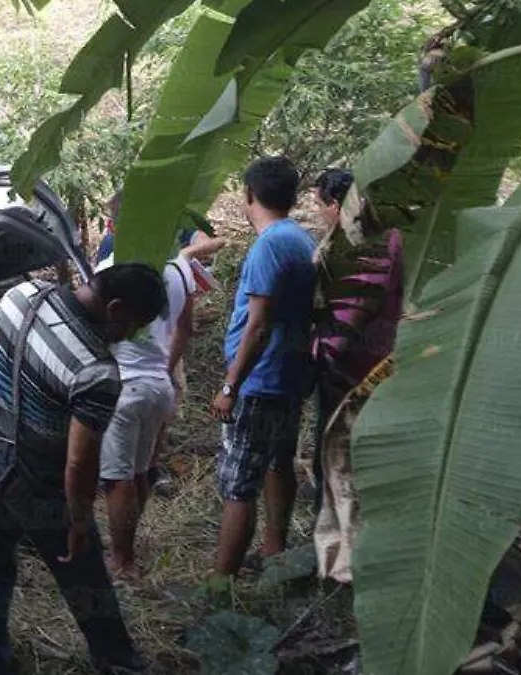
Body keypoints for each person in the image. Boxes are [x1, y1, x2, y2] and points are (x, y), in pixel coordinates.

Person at [0, 263, 168, 675]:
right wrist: (77, 522)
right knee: (84, 572)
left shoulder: (21, 295)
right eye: (132, 324)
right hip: (35, 480)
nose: (129, 335)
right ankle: (118, 661)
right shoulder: (97, 372)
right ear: (114, 307)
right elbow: (79, 461)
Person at [94, 233, 227, 579]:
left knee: (117, 477)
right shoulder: (180, 266)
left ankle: (122, 559)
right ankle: (130, 543)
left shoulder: (111, 267)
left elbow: (92, 323)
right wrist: (165, 369)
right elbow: (186, 328)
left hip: (124, 385)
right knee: (138, 470)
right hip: (158, 384)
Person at [209, 156, 317, 578]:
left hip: (259, 380)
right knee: (278, 461)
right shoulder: (301, 239)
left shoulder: (270, 245)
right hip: (289, 375)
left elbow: (257, 325)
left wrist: (230, 386)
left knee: (238, 483)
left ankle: (222, 579)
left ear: (249, 194)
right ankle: (274, 548)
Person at [309, 168, 403, 583]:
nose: (318, 216)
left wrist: (315, 352)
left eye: (319, 206)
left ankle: (350, 564)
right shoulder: (394, 237)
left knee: (345, 466)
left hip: (357, 374)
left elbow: (349, 318)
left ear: (336, 205)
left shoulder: (369, 246)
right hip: (382, 364)